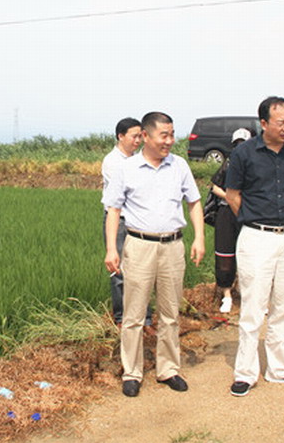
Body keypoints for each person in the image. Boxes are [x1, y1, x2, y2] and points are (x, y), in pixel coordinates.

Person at [102, 112, 205, 397]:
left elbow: (194, 202)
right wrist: (111, 249)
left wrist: (199, 238)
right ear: (146, 136)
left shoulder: (179, 165)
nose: (169, 141)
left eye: (172, 135)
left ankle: (168, 369)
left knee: (170, 312)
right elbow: (113, 210)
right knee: (134, 314)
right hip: (139, 245)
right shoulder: (126, 168)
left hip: (173, 245)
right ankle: (132, 372)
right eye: (164, 135)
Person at [225, 96, 284, 397]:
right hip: (256, 237)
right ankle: (245, 373)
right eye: (280, 123)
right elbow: (233, 195)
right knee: (253, 306)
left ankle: (280, 369)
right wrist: (254, 219)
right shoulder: (244, 153)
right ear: (264, 123)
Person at [101, 117, 153, 330]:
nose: (138, 141)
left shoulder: (139, 159)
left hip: (139, 221)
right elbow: (128, 194)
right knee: (120, 271)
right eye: (134, 136)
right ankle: (121, 317)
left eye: (141, 136)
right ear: (120, 136)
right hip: (120, 222)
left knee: (143, 270)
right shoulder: (112, 162)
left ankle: (146, 318)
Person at [210, 128, 251, 313]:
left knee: (250, 254)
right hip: (226, 213)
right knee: (225, 253)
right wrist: (230, 197)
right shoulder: (228, 163)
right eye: (237, 145)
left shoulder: (256, 165)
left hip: (248, 213)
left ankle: (247, 293)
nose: (240, 148)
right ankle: (226, 295)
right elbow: (215, 187)